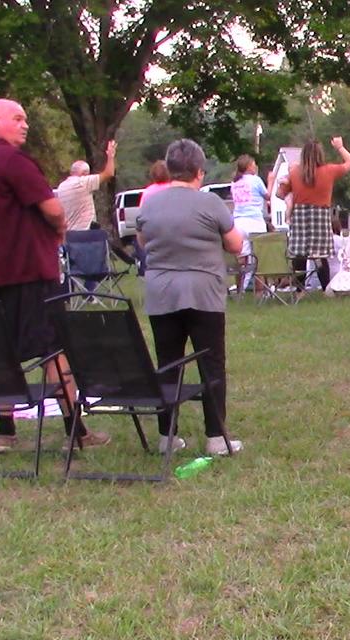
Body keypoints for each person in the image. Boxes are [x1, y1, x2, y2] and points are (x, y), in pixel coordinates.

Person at [0, 98, 109, 452]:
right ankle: (76, 429)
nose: (25, 124)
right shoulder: (12, 160)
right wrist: (58, 230)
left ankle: (5, 431)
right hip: (30, 270)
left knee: (4, 350)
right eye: (18, 118)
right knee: (54, 349)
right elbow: (53, 208)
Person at [135, 139, 244, 456]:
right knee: (211, 362)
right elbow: (235, 245)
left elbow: (142, 240)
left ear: (169, 170)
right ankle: (215, 437)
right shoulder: (210, 204)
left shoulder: (150, 204)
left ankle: (167, 436)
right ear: (200, 171)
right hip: (204, 293)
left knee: (167, 363)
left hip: (162, 294)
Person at [276, 137, 350, 293]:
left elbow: (280, 194)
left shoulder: (294, 172)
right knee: (320, 256)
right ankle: (326, 288)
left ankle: (300, 290)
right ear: (320, 155)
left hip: (299, 218)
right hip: (320, 216)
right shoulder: (329, 170)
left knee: (299, 255)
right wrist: (340, 147)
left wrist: (282, 184)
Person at [229, 154, 271, 291]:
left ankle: (240, 289)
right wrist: (271, 180)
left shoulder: (235, 182)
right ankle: (259, 291)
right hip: (255, 221)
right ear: (248, 166)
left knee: (241, 259)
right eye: (254, 164)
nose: (256, 167)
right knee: (259, 258)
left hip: (238, 223)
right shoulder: (256, 180)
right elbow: (268, 195)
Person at [56, 141, 117, 231]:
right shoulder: (82, 183)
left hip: (69, 234)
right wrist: (110, 155)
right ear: (85, 174)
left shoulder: (61, 186)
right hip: (85, 234)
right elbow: (109, 173)